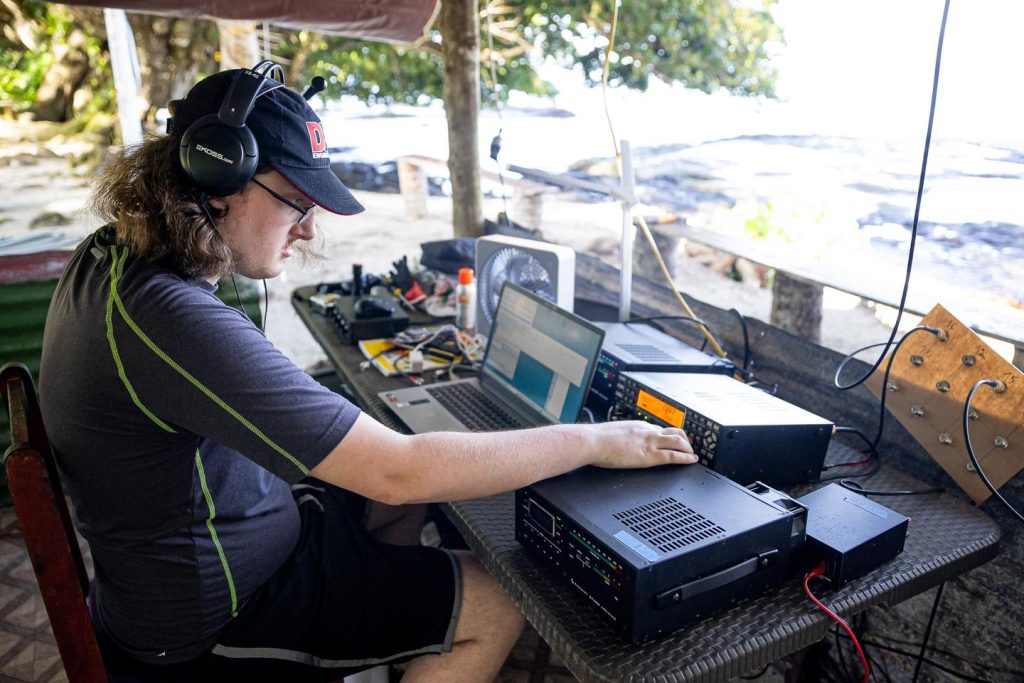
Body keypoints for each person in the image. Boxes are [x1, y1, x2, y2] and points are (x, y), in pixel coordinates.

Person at [38, 64, 696, 682]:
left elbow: (386, 474)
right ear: (213, 172)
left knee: (397, 494)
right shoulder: (169, 317)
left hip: (212, 549)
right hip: (207, 620)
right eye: (295, 201)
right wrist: (598, 440)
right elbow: (398, 467)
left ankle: (391, 631)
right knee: (497, 601)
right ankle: (398, 627)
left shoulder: (116, 258)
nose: (307, 227)